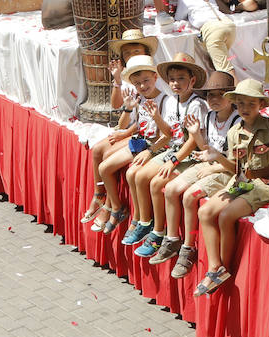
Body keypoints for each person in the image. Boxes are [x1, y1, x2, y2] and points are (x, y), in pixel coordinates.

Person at [150, 70, 241, 277]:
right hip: (209, 164)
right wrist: (195, 134)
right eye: (210, 95)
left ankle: (188, 246)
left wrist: (213, 165)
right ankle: (172, 238)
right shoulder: (209, 116)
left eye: (220, 94)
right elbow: (205, 148)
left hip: (225, 170)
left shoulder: (237, 122)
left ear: (231, 97)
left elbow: (237, 164)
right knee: (170, 188)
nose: (214, 99)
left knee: (190, 196)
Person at [194, 79, 269, 296]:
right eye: (240, 104)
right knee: (204, 212)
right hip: (240, 181)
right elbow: (234, 168)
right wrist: (218, 157)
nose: (245, 109)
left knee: (225, 216)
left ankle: (226, 267)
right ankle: (215, 267)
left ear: (261, 104)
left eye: (251, 104)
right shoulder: (234, 132)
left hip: (264, 183)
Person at [124, 52, 205, 258]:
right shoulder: (172, 101)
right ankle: (144, 222)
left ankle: (158, 232)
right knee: (138, 174)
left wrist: (174, 160)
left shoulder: (196, 105)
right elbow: (169, 133)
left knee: (155, 182)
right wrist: (157, 118)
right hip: (173, 150)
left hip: (188, 155)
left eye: (181, 79)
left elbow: (193, 140)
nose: (175, 83)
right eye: (172, 79)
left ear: (192, 80)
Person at [93, 53, 171, 236]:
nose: (143, 86)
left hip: (153, 145)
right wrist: (128, 109)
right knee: (104, 167)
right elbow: (123, 127)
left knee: (125, 172)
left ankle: (138, 217)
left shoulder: (165, 100)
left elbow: (167, 133)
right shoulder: (140, 98)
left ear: (155, 77)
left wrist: (151, 147)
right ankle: (116, 208)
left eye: (146, 81)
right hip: (140, 141)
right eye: (138, 83)